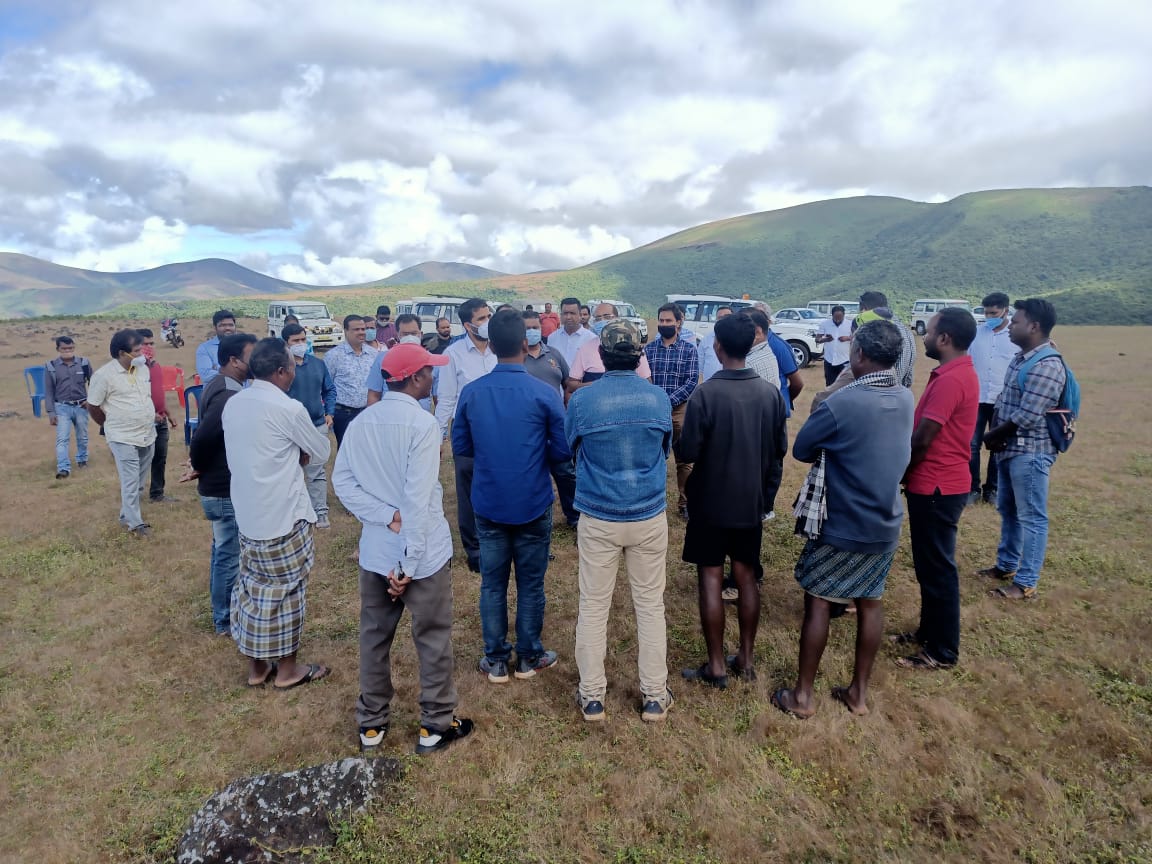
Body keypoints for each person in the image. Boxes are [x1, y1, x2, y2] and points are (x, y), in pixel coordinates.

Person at [332, 342, 474, 755]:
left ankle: (371, 724)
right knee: (431, 638)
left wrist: (381, 515)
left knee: (374, 636)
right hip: (421, 555)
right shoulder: (423, 426)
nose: (434, 377)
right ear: (414, 378)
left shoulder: (361, 422)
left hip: (377, 552)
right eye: (430, 371)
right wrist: (407, 563)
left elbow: (343, 484)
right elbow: (417, 500)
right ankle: (435, 724)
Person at [773, 320, 914, 718]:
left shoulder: (844, 402)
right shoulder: (905, 398)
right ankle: (859, 695)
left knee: (818, 601)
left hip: (841, 522)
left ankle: (802, 697)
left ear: (860, 355)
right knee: (870, 602)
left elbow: (802, 449)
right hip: (885, 521)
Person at [451, 310, 570, 683]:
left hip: (488, 503)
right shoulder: (544, 393)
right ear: (524, 343)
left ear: (492, 345)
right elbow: (562, 449)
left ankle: (497, 658)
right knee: (531, 584)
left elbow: (462, 447)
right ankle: (529, 655)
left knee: (493, 583)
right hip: (533, 501)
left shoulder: (472, 392)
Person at [566, 320, 674, 721]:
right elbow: (665, 450)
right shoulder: (658, 399)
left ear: (602, 356)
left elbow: (570, 447)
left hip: (598, 515)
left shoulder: (582, 401)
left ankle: (592, 696)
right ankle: (654, 695)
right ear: (640, 354)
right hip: (647, 513)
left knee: (593, 606)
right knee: (649, 605)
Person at [677, 314, 787, 688]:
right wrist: (765, 496)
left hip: (709, 502)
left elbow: (688, 450)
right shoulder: (770, 394)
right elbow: (778, 452)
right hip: (749, 503)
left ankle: (716, 666)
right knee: (746, 577)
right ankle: (747, 658)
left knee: (710, 578)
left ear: (718, 347)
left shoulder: (705, 394)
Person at [223, 338, 332, 689]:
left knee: (251, 588)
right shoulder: (288, 408)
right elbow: (320, 451)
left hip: (248, 512)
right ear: (282, 371)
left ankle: (257, 669)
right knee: (287, 593)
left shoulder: (234, 404)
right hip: (283, 514)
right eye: (292, 365)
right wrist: (297, 453)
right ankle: (287, 671)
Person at [894, 308, 979, 670]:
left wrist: (900, 471)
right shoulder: (952, 373)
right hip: (935, 483)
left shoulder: (951, 380)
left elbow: (925, 437)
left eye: (928, 332)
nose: (924, 337)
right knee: (929, 567)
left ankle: (942, 651)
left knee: (938, 569)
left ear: (944, 339)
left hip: (937, 485)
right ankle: (928, 632)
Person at [979, 298, 1066, 601]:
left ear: (1034, 326)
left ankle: (1026, 581)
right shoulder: (1022, 357)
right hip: (1011, 449)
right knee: (1009, 510)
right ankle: (1006, 565)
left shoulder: (1047, 364)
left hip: (1030, 452)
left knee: (1031, 517)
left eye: (1016, 321)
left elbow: (1029, 415)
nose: (1010, 325)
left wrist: (991, 436)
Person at [188, 333, 258, 635]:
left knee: (222, 552)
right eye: (251, 356)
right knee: (229, 556)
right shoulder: (229, 394)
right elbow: (202, 437)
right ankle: (225, 620)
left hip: (217, 485)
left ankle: (224, 614)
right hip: (222, 488)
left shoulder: (221, 384)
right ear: (234, 360)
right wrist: (200, 465)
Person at [435, 298, 497, 572]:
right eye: (482, 318)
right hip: (469, 432)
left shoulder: (500, 350)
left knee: (498, 485)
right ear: (468, 325)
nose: (487, 322)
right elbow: (447, 399)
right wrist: (438, 435)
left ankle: (498, 543)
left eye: (488, 316)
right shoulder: (454, 354)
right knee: (469, 491)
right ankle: (474, 550)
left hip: (499, 429)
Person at [86, 329, 158, 537]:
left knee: (139, 479)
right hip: (122, 436)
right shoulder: (104, 376)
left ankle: (125, 516)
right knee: (130, 480)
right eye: (136, 351)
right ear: (121, 353)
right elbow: (93, 405)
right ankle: (136, 524)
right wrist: (110, 425)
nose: (141, 354)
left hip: (146, 433)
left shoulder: (142, 369)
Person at [522, 310, 579, 527]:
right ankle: (537, 520)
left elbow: (568, 384)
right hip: (529, 427)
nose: (532, 332)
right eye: (527, 328)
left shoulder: (554, 354)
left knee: (566, 472)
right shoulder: (517, 359)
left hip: (556, 426)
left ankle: (574, 517)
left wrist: (566, 409)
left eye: (535, 327)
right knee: (534, 476)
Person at [644, 303, 699, 520]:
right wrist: (656, 401)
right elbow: (644, 378)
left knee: (684, 461)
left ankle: (685, 502)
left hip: (679, 411)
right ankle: (651, 501)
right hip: (653, 411)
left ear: (678, 322)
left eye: (668, 320)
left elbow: (692, 380)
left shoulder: (688, 350)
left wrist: (667, 400)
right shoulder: (648, 350)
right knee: (651, 458)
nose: (664, 324)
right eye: (661, 320)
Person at [284, 323, 336, 529]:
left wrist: (329, 412)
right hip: (289, 428)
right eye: (295, 341)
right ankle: (293, 513)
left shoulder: (317, 364)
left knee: (316, 471)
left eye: (303, 339)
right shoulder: (282, 368)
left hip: (316, 425)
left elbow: (329, 390)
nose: (300, 344)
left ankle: (320, 512)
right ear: (286, 344)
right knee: (289, 472)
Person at [968, 292, 1016, 505]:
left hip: (1002, 401)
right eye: (986, 313)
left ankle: (993, 489)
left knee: (997, 445)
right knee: (971, 445)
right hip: (977, 399)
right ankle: (972, 489)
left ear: (1005, 310)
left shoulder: (1014, 337)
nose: (989, 317)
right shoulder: (977, 334)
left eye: (993, 313)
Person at [568, 303, 653, 389]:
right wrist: (598, 385)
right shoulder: (585, 348)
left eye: (607, 317)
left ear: (617, 318)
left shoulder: (632, 346)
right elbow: (572, 384)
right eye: (598, 318)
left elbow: (647, 382)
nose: (602, 321)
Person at [324, 315, 379, 448]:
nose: (361, 332)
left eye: (363, 329)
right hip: (344, 414)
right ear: (346, 331)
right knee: (347, 451)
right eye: (356, 329)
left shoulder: (373, 354)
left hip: (368, 412)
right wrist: (328, 413)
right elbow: (326, 386)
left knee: (368, 451)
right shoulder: (333, 356)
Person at [137, 329, 179, 504]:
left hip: (161, 419)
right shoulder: (135, 368)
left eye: (151, 343)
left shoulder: (155, 366)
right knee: (140, 460)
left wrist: (168, 414)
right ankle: (134, 495)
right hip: (144, 420)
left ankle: (157, 493)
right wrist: (150, 415)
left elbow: (158, 392)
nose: (148, 347)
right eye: (144, 344)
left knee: (160, 457)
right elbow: (135, 396)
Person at [45, 336, 92, 479]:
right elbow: (48, 391)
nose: (67, 351)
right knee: (62, 439)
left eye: (70, 348)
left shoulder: (83, 363)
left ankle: (82, 460)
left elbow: (95, 383)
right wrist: (51, 412)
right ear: (58, 349)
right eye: (64, 348)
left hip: (81, 406)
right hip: (61, 407)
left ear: (74, 347)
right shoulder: (51, 366)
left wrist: (90, 401)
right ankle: (63, 468)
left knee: (82, 437)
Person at [367, 314, 436, 412]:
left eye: (414, 333)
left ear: (421, 334)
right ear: (398, 335)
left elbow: (438, 397)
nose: (410, 337)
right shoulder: (383, 358)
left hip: (421, 420)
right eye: (405, 334)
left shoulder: (432, 360)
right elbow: (374, 394)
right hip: (389, 417)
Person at [856, 291, 916, 388]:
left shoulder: (880, 332)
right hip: (899, 394)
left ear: (864, 308)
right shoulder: (906, 330)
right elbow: (908, 378)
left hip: (879, 394)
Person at [547, 297, 596, 367]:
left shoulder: (591, 339)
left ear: (579, 315)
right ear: (561, 315)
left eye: (572, 313)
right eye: (565, 313)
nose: (568, 317)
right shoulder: (552, 338)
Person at [196, 309, 237, 384]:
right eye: (222, 325)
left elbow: (251, 370)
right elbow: (206, 376)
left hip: (243, 393)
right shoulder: (205, 348)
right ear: (215, 328)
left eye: (231, 325)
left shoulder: (243, 346)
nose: (227, 328)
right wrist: (237, 372)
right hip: (218, 393)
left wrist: (219, 369)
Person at [816, 306, 853, 386]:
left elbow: (857, 338)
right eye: (836, 317)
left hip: (844, 360)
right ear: (832, 315)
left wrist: (847, 338)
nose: (838, 320)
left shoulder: (850, 324)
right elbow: (817, 339)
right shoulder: (825, 324)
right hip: (829, 360)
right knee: (830, 385)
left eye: (840, 317)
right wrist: (826, 339)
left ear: (844, 315)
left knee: (844, 384)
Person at [698, 305, 732, 381]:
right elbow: (699, 368)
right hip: (709, 387)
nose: (723, 320)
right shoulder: (706, 340)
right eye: (719, 318)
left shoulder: (739, 339)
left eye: (726, 317)